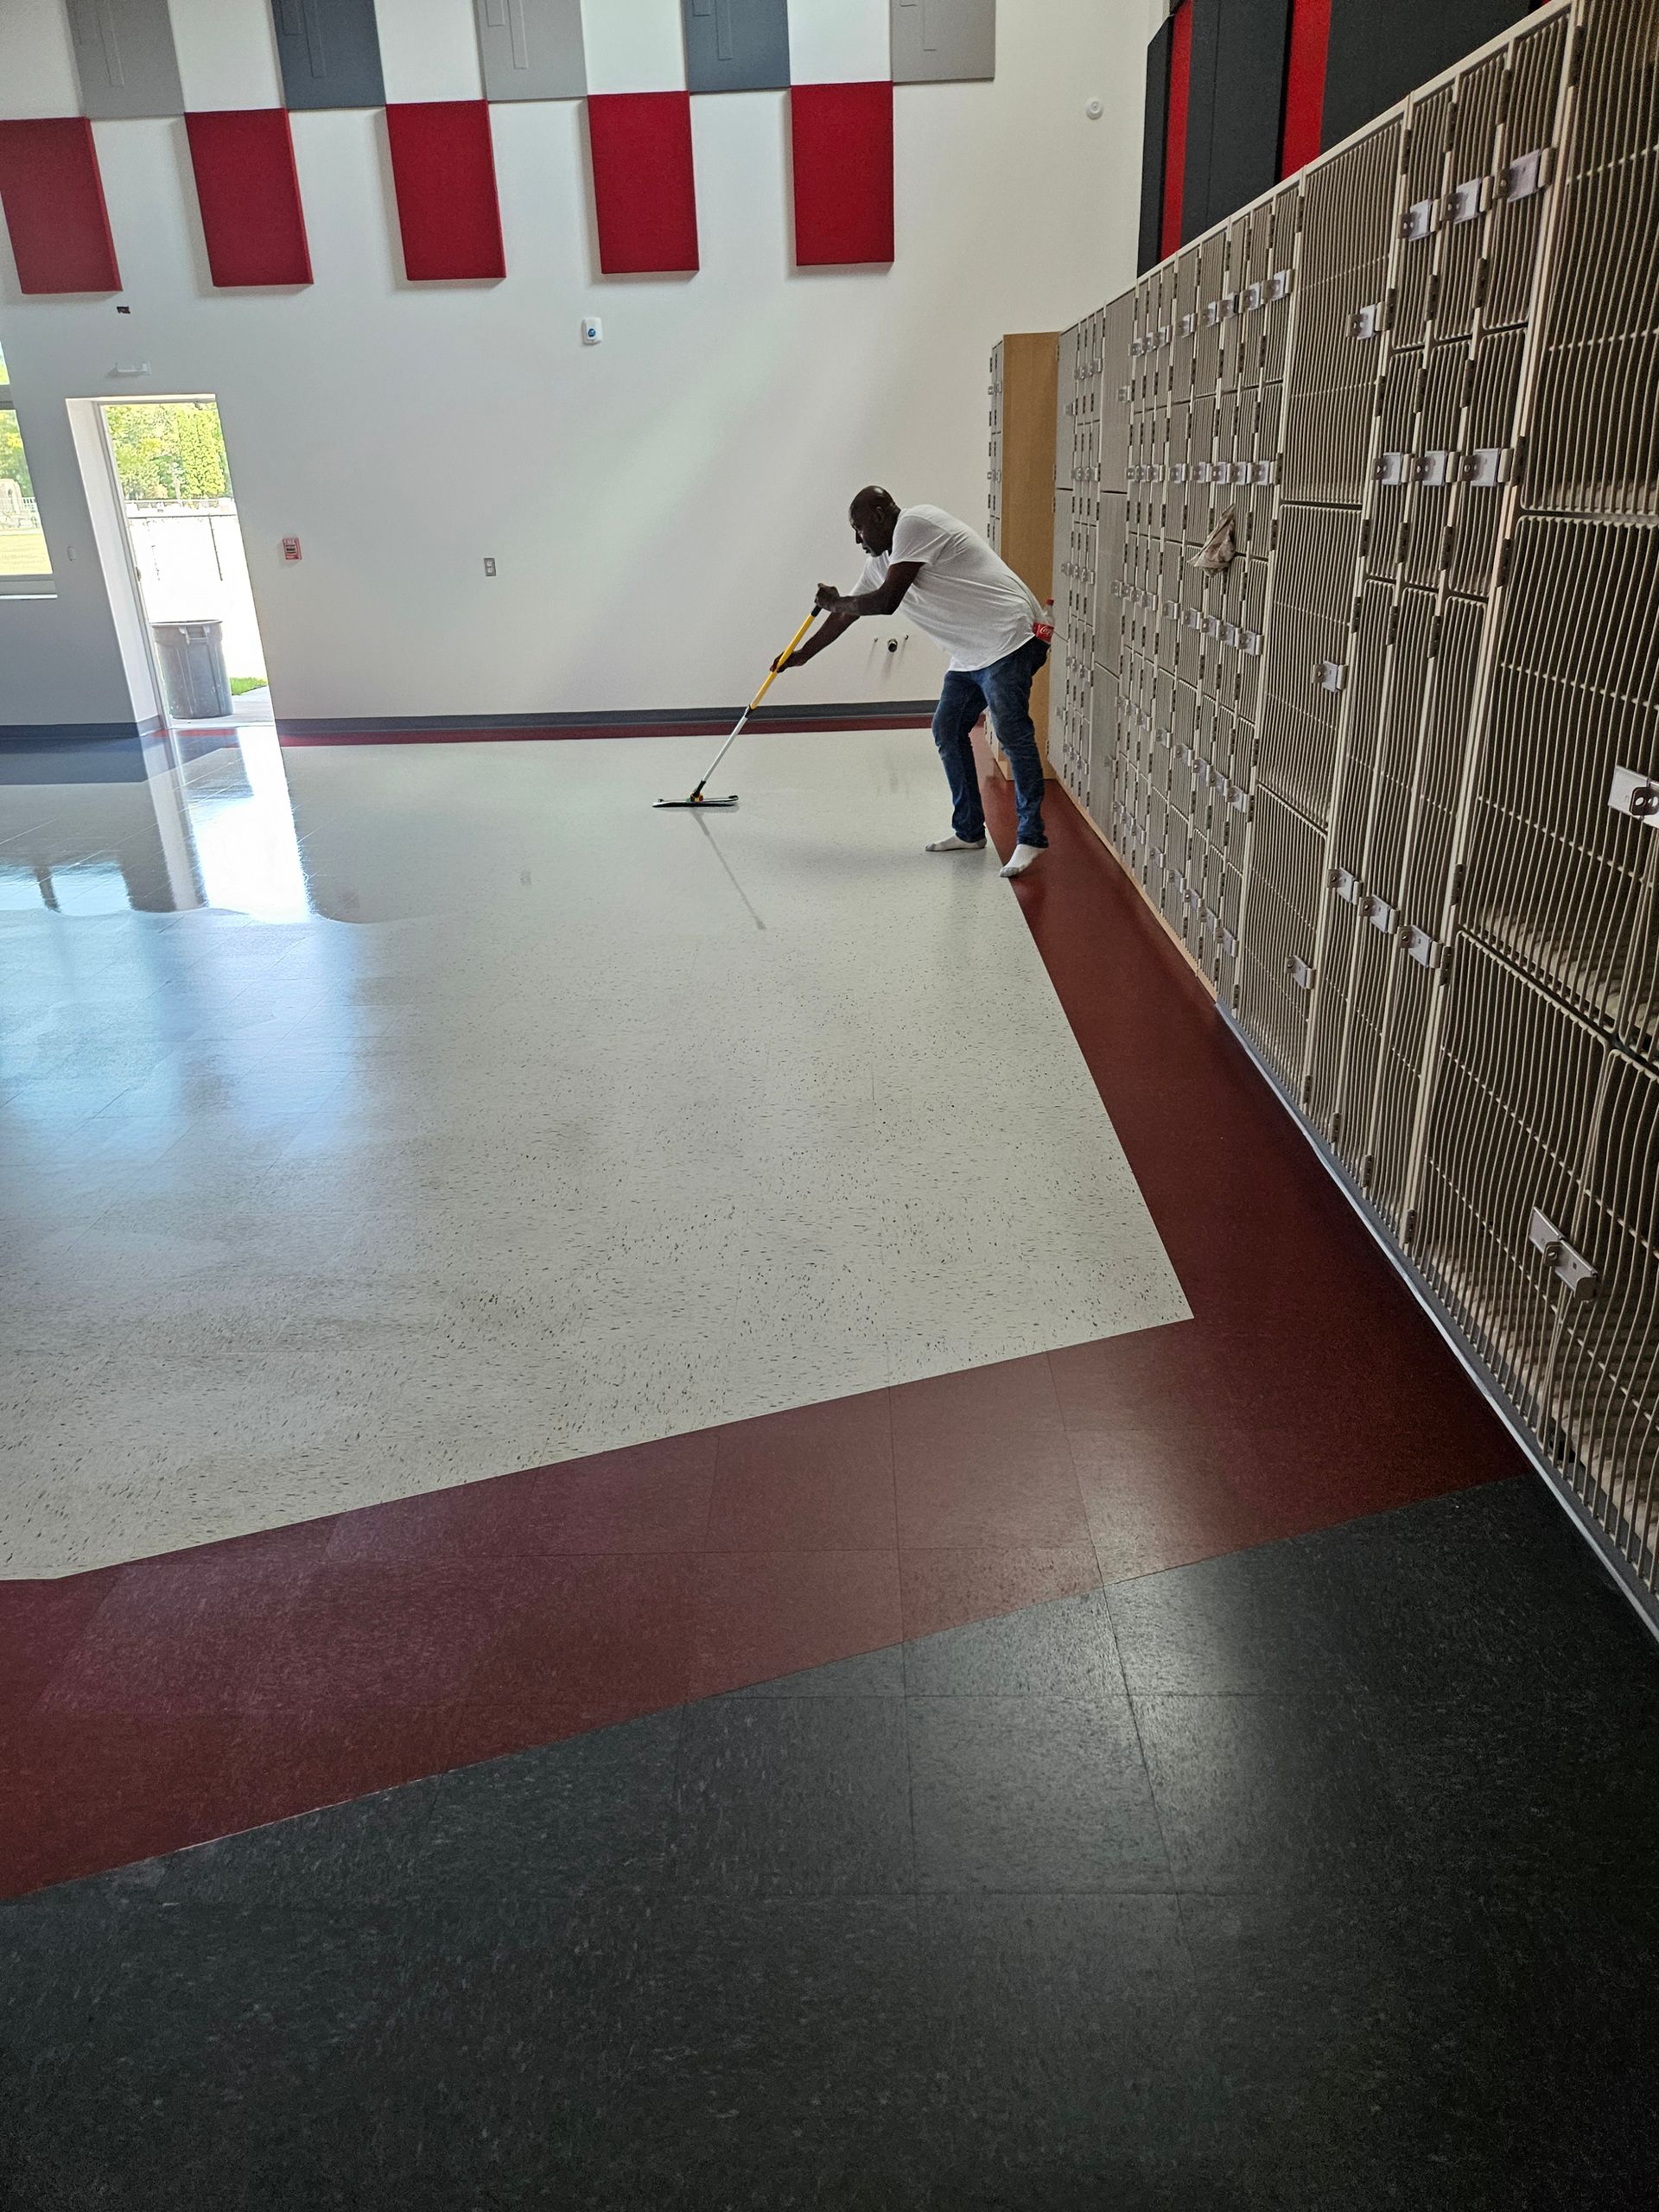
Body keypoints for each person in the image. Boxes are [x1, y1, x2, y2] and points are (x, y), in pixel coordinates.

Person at [773, 486, 1052, 879]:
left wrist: (837, 602)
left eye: (860, 529)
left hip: (1009, 636)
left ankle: (1031, 837)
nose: (858, 540)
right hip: (971, 651)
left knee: (1011, 730)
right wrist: (801, 655)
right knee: (947, 729)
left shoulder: (916, 523)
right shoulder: (882, 559)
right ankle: (970, 831)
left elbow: (885, 602)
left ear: (882, 514)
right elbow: (849, 614)